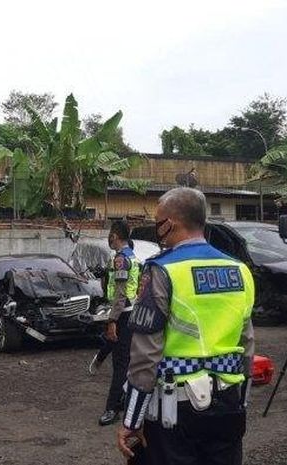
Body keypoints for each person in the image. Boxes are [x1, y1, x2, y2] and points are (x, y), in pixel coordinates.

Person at [116, 187, 255, 465]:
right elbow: (247, 343)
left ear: (170, 223)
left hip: (177, 412)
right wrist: (240, 398)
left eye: (158, 222)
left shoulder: (162, 270)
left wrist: (131, 420)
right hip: (227, 404)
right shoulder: (239, 269)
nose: (157, 228)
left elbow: (146, 353)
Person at [97, 220, 141, 426]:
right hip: (129, 313)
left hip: (122, 314)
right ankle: (122, 399)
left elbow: (121, 294)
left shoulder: (122, 259)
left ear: (114, 236)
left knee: (120, 364)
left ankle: (112, 408)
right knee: (124, 361)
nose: (109, 238)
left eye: (110, 234)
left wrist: (112, 321)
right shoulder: (130, 254)